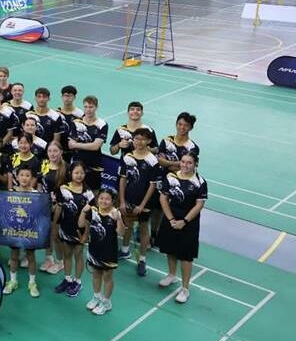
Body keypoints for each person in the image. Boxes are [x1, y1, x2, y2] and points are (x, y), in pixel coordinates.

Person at [156, 153, 207, 304]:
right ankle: (172, 275)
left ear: (195, 164)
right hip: (171, 218)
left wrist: (184, 221)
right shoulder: (171, 176)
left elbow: (199, 205)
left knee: (186, 256)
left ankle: (185, 289)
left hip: (189, 222)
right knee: (170, 249)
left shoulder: (200, 182)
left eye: (189, 162)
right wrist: (171, 219)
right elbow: (163, 198)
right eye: (183, 162)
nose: (185, 165)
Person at [118, 128, 161, 276]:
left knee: (143, 228)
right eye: (136, 138)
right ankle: (125, 250)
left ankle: (142, 260)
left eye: (143, 139)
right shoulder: (128, 157)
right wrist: (122, 201)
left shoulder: (152, 160)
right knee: (128, 224)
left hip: (145, 202)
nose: (139, 142)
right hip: (129, 198)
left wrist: (142, 205)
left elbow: (152, 185)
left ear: (148, 141)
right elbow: (123, 179)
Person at [79, 188, 125, 315]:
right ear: (97, 199)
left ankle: (106, 302)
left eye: (107, 199)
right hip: (94, 249)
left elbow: (121, 233)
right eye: (101, 198)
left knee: (107, 277)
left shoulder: (115, 213)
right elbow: (81, 224)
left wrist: (119, 219)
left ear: (112, 201)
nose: (104, 201)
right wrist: (83, 211)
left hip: (108, 251)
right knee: (96, 274)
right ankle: (96, 297)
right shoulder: (93, 211)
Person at [54, 162, 95, 298]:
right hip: (66, 228)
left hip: (80, 232)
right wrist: (55, 224)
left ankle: (77, 282)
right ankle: (67, 279)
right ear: (70, 173)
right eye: (76, 172)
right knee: (67, 255)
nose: (79, 175)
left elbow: (91, 216)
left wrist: (87, 234)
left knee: (78, 256)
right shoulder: (63, 189)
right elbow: (59, 207)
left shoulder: (88, 193)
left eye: (81, 173)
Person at [2, 167, 42, 298]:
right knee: (14, 256)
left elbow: (40, 212)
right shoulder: (11, 192)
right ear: (17, 177)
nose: (24, 178)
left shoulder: (36, 194)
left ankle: (32, 283)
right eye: (22, 175)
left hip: (30, 231)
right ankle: (13, 281)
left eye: (27, 175)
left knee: (30, 257)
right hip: (15, 230)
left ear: (32, 178)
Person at [68, 95, 108, 191]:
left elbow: (95, 146)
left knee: (93, 192)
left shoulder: (102, 125)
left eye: (91, 107)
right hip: (77, 163)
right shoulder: (76, 122)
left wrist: (76, 145)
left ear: (96, 107)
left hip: (94, 165)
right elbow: (70, 145)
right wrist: (89, 145)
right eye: (86, 107)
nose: (88, 110)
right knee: (75, 190)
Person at [39, 141, 67, 274]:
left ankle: (60, 262)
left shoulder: (66, 169)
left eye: (55, 151)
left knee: (56, 236)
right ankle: (48, 258)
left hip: (59, 207)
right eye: (50, 151)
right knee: (46, 233)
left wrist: (57, 204)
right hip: (45, 204)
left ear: (61, 152)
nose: (52, 154)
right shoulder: (44, 164)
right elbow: (40, 183)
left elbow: (67, 190)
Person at [57, 85, 83, 162]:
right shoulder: (56, 113)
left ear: (74, 97)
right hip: (58, 150)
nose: (67, 98)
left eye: (70, 96)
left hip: (74, 152)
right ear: (62, 97)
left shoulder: (80, 115)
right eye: (65, 95)